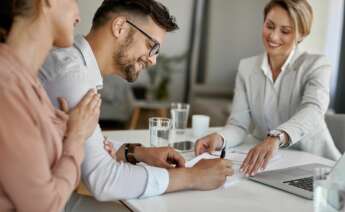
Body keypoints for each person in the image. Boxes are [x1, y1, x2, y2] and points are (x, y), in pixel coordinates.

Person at [39, 0, 233, 207]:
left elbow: (87, 145)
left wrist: (136, 152)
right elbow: (102, 178)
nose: (153, 60)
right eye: (152, 46)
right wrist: (192, 176)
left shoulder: (78, 68)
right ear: (120, 27)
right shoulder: (73, 76)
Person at [195, 0, 340, 177]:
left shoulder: (316, 65)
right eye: (269, 26)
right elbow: (239, 125)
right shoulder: (246, 68)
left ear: (302, 34)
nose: (273, 36)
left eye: (285, 31)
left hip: (317, 167)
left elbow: (313, 109)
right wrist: (220, 138)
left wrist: (276, 137)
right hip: (269, 166)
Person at [0, 0, 101, 211]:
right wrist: (77, 138)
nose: (78, 15)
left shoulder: (27, 81)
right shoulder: (7, 85)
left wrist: (66, 133)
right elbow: (45, 207)